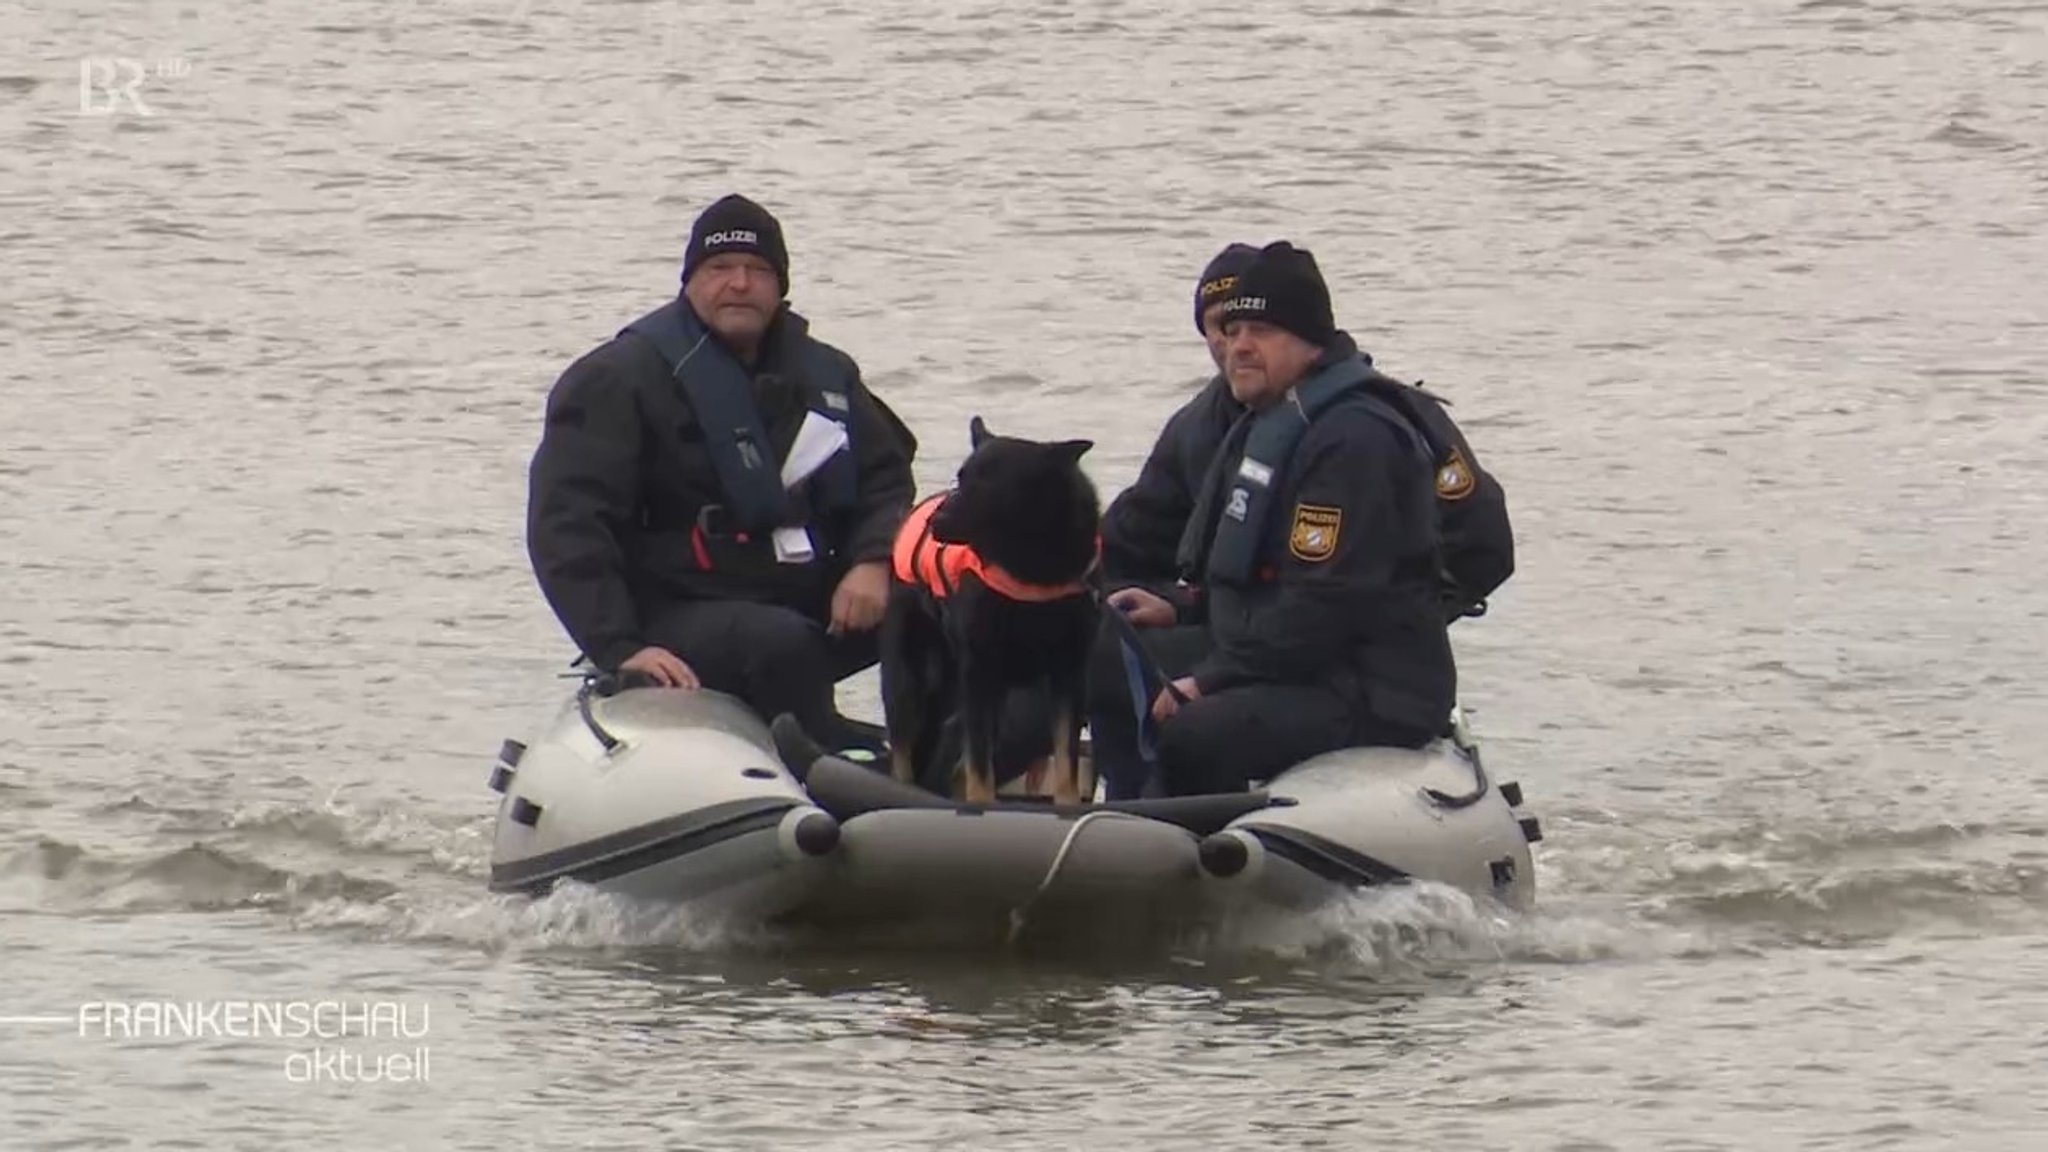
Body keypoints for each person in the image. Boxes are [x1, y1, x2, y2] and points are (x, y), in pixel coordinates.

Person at [1083, 241, 1517, 798]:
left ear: (1310, 340)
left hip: (1368, 686)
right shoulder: (1268, 422)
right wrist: (1179, 606)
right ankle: (1126, 815)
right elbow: (1263, 582)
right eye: (1231, 331)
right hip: (1294, 658)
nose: (1238, 347)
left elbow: (1326, 604)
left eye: (1260, 331)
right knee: (1109, 654)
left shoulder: (1354, 438)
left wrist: (1211, 679)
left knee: (1197, 730)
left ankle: (1202, 849)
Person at [525, 193, 917, 753]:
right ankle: (816, 769)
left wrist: (873, 562)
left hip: (805, 594)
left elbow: (886, 479)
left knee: (935, 598)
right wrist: (620, 646)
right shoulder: (616, 379)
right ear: (689, 282)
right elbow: (567, 525)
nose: (739, 283)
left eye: (758, 271)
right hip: (674, 612)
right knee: (780, 643)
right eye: (720, 269)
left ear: (780, 286)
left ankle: (956, 755)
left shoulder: (827, 374)